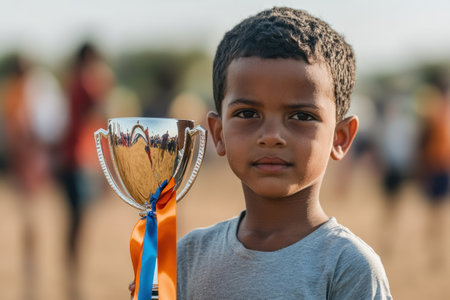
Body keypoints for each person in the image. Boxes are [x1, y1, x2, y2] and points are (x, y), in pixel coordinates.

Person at [131, 7, 392, 299]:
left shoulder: (348, 267)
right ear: (218, 133)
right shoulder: (188, 256)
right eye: (247, 113)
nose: (271, 137)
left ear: (340, 138)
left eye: (301, 116)